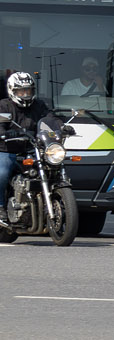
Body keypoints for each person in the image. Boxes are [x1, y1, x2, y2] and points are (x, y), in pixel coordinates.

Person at [0, 72, 65, 225]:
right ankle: (0, 206)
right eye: (21, 91)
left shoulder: (39, 105)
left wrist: (61, 127)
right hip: (7, 150)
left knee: (52, 166)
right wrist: (5, 133)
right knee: (2, 172)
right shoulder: (4, 105)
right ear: (12, 91)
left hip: (31, 149)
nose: (25, 94)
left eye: (28, 91)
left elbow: (50, 118)